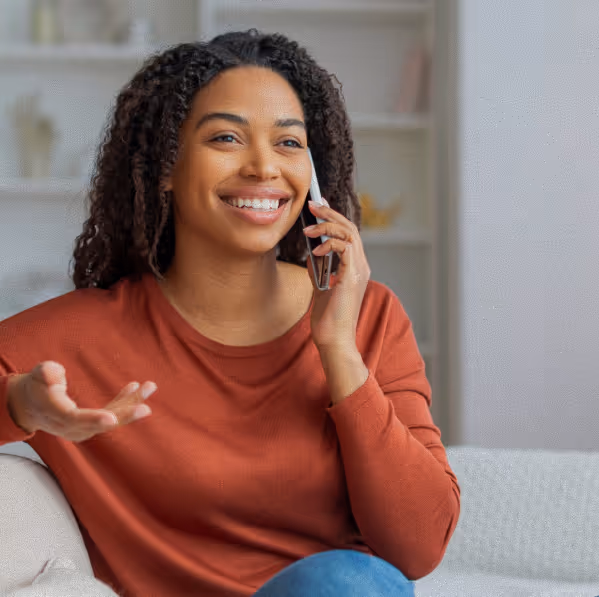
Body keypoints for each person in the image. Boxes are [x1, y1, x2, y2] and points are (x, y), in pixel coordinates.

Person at [0, 29, 461, 597]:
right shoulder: (81, 336)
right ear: (165, 165)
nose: (265, 167)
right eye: (226, 138)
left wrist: (338, 350)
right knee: (340, 578)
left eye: (290, 143)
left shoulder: (369, 316)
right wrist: (21, 404)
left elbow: (419, 547)